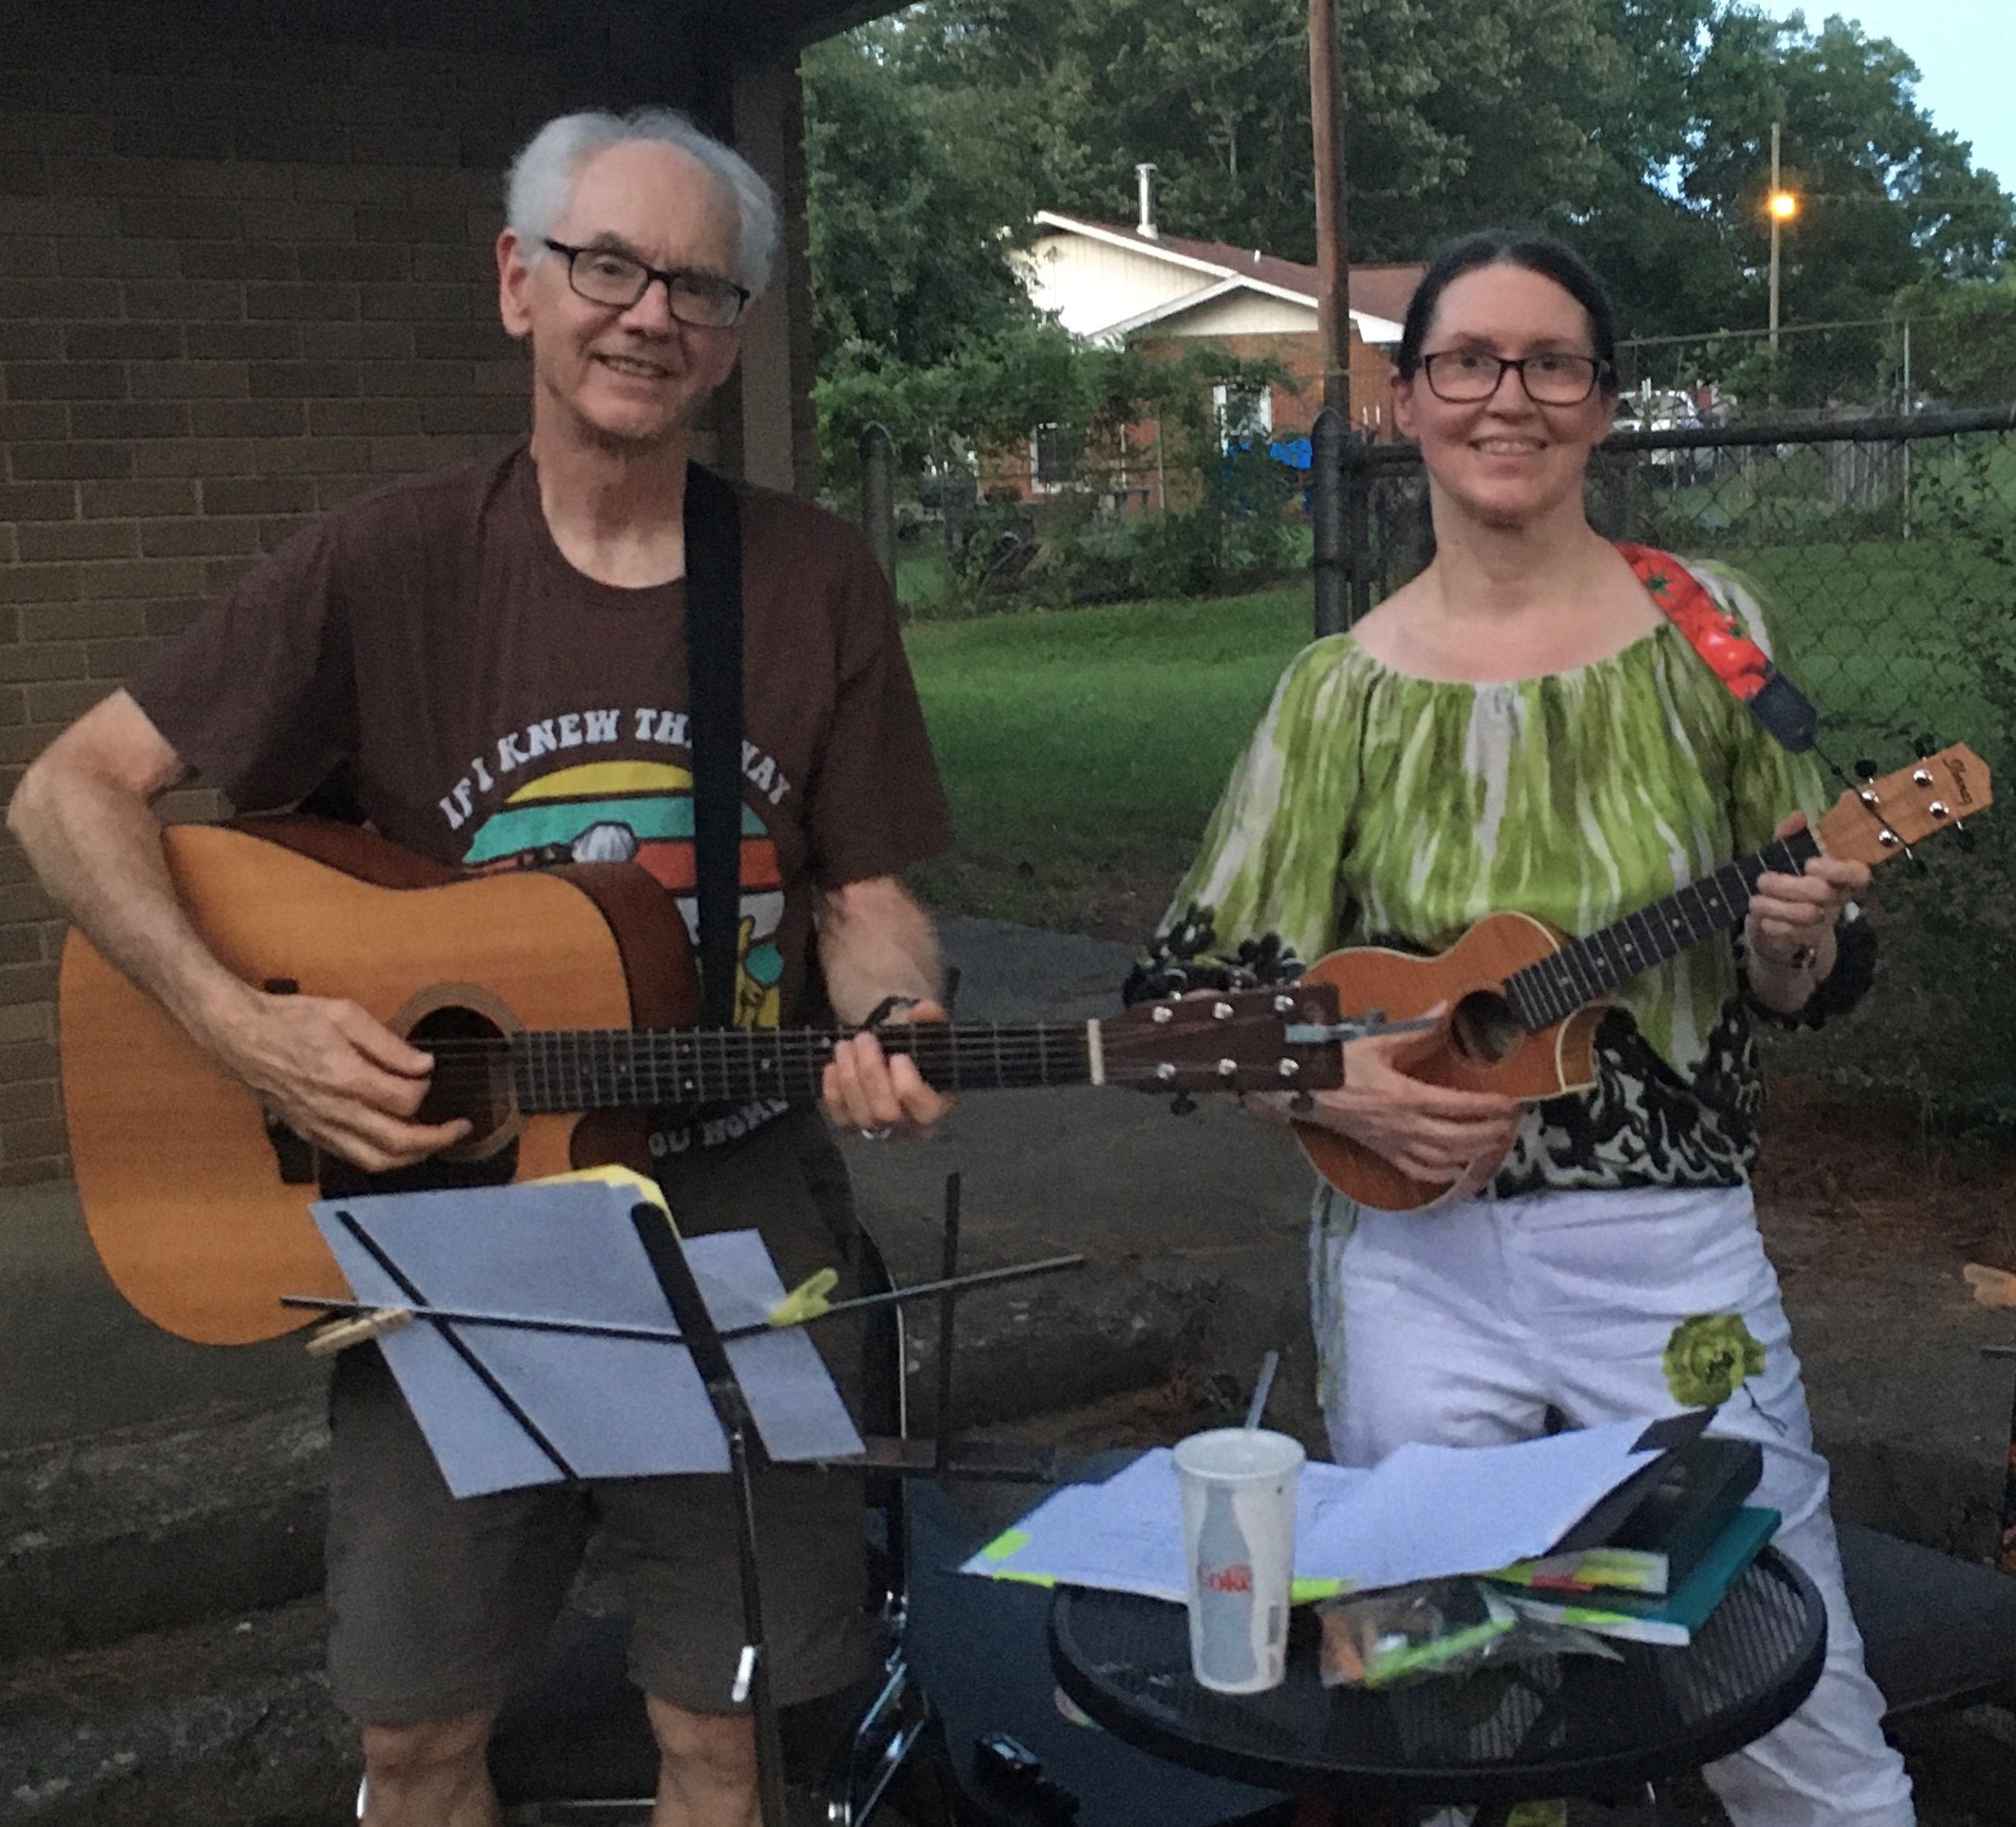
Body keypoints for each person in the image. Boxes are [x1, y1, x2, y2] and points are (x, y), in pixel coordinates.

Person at [9, 108, 951, 1827]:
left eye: (698, 286)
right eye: (607, 264)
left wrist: (892, 1012)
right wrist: (242, 1032)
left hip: (736, 1197)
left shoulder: (810, 577)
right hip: (455, 1233)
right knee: (415, 1730)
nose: (649, 313)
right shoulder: (386, 562)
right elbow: (67, 794)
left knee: (723, 1727)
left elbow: (861, 887)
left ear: (734, 335)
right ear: (518, 282)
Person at [1131, 229, 1910, 1827]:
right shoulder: (1333, 694)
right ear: (1407, 401)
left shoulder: (1712, 636)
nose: (1510, 398)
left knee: (1798, 1725)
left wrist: (1794, 946)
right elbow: (1180, 1012)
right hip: (1415, 1264)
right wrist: (1329, 1089)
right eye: (1467, 362)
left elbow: (1807, 974)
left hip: (1673, 1251)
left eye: (1552, 364)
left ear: (1605, 406)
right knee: (1442, 1728)